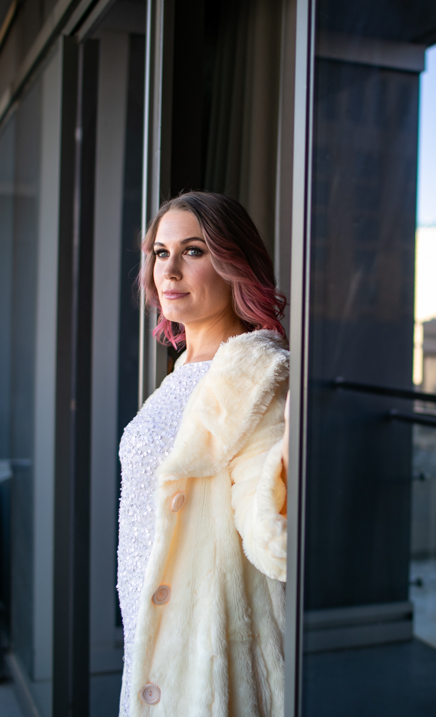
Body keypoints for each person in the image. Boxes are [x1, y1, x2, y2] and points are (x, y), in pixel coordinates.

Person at [117, 192, 289, 717]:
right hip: (149, 631)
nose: (169, 270)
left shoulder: (255, 377)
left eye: (193, 251)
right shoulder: (185, 370)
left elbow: (269, 528)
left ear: (234, 265)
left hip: (203, 651)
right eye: (160, 252)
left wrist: (288, 474)